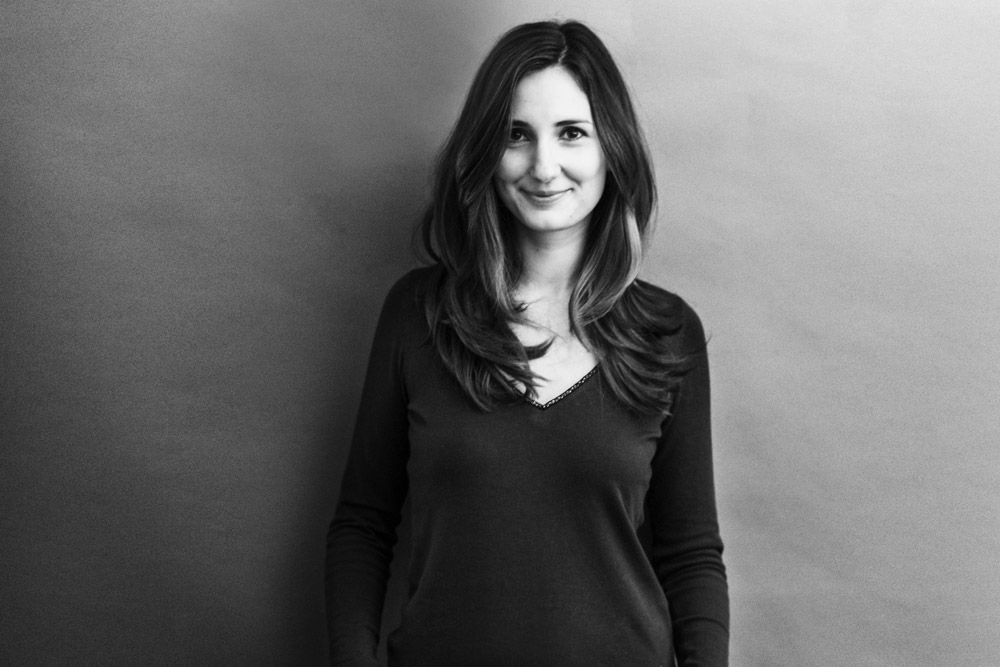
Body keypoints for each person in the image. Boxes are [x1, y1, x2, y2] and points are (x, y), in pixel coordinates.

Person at [326, 19, 729, 667]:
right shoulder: (417, 314)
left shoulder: (668, 332)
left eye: (572, 133)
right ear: (487, 150)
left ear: (612, 149)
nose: (544, 167)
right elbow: (363, 526)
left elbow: (691, 556)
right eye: (517, 135)